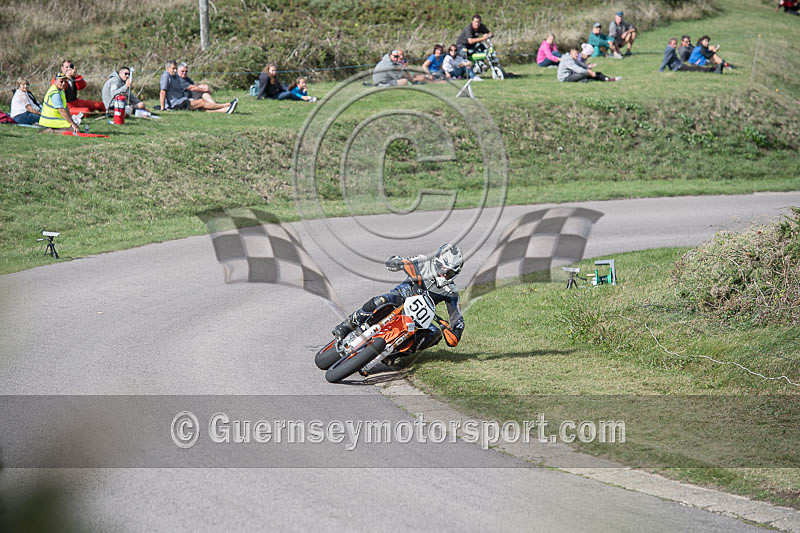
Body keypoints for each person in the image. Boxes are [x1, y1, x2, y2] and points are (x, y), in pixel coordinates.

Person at [331, 244, 466, 354]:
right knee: (381, 300)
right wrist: (397, 262)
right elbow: (402, 261)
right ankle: (347, 325)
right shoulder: (423, 262)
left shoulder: (451, 292)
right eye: (443, 269)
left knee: (434, 334)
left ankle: (397, 354)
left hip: (419, 317)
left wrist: (456, 330)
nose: (444, 274)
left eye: (450, 273)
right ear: (436, 262)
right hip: (399, 297)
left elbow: (456, 316)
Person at [159, 61, 235, 113]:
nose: (175, 70)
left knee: (200, 107)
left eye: (176, 68)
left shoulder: (175, 76)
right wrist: (163, 107)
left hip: (181, 100)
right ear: (167, 68)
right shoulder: (166, 76)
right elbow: (163, 91)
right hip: (176, 103)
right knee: (201, 102)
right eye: (173, 68)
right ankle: (225, 105)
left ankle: (225, 110)